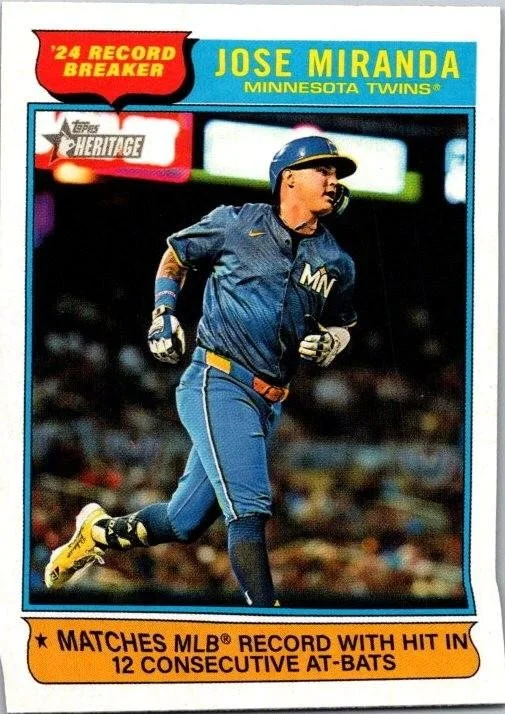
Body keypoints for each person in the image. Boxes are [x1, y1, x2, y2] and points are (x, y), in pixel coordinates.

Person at [44, 135, 358, 607]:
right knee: (249, 508)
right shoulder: (236, 222)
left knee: (185, 521)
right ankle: (268, 624)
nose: (334, 182)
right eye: (324, 171)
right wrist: (163, 311)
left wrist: (333, 341)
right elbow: (177, 254)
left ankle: (99, 533)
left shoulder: (336, 261)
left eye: (337, 174)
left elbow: (344, 324)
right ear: (289, 178)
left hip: (270, 401)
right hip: (219, 379)